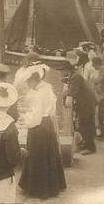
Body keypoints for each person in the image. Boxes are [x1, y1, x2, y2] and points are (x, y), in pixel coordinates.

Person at [18, 64, 67, 198]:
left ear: (34, 80)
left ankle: (39, 188)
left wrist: (25, 119)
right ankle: (53, 185)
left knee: (36, 155)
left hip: (38, 127)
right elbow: (52, 109)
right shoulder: (48, 89)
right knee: (49, 154)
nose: (28, 84)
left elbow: (35, 116)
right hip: (48, 124)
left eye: (29, 82)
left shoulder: (36, 94)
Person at [64, 52, 97, 155]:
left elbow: (70, 96)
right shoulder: (73, 75)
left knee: (86, 124)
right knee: (84, 123)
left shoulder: (75, 77)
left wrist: (65, 101)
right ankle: (86, 143)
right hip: (86, 102)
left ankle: (90, 147)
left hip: (86, 103)